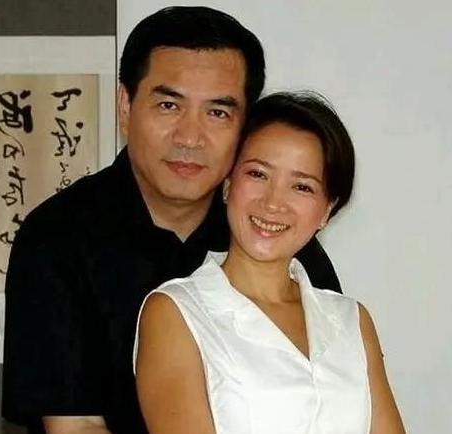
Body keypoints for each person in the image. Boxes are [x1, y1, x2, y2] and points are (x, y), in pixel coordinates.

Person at [2, 6, 342, 434]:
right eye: (168, 105)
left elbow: (334, 396)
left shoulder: (272, 236)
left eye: (217, 113)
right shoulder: (56, 238)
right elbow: (77, 427)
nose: (190, 137)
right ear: (125, 106)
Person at [135, 92, 406, 434]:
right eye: (258, 174)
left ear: (327, 210)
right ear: (228, 184)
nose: (273, 202)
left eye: (302, 187)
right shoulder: (177, 312)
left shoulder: (351, 320)